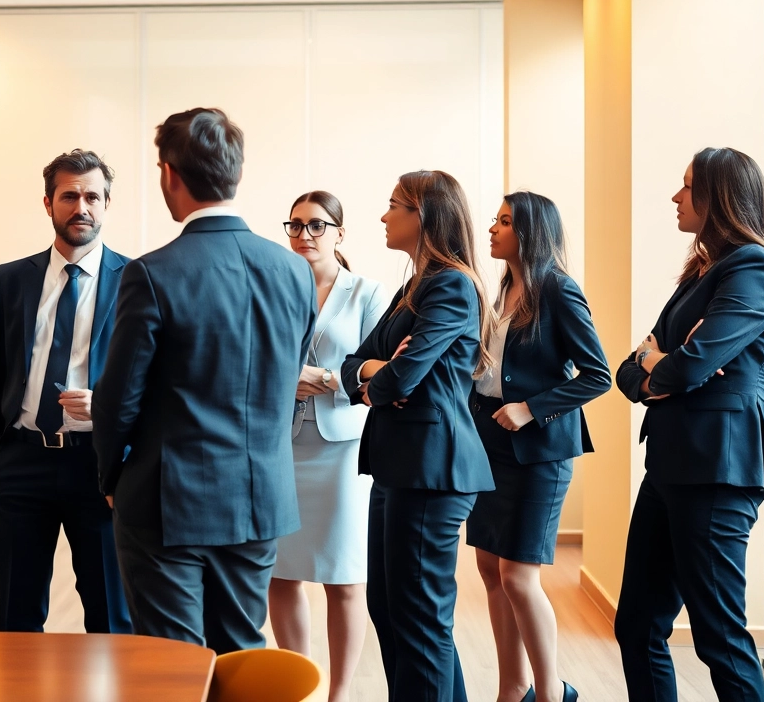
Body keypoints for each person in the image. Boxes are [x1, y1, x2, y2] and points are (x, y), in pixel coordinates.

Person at [91, 107, 315, 653]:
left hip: (167, 500)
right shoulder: (293, 272)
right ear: (235, 172)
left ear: (169, 173)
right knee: (241, 650)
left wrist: (110, 478)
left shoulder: (151, 272)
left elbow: (119, 399)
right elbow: (284, 382)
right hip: (260, 495)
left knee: (173, 661)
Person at [614, 148, 764, 702]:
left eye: (687, 186)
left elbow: (687, 365)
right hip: (670, 463)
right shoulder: (702, 272)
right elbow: (631, 366)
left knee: (719, 637)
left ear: (719, 196)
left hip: (718, 465)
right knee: (637, 626)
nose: (675, 196)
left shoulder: (754, 267)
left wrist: (660, 362)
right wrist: (654, 364)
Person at [340, 170, 494, 701]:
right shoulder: (413, 285)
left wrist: (384, 378)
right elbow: (354, 363)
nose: (383, 216)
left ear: (423, 215)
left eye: (393, 206)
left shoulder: (450, 283)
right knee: (389, 609)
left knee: (419, 619)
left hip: (433, 470)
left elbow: (404, 378)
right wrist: (375, 373)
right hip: (397, 465)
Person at [0, 149, 132, 634]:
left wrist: (106, 413)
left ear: (106, 204)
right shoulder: (12, 278)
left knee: (109, 615)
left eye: (93, 196)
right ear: (48, 203)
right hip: (20, 462)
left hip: (99, 467)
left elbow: (153, 382)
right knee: (17, 615)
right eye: (70, 195)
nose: (82, 206)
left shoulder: (138, 280)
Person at [468, 192, 608, 702]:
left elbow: (598, 375)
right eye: (495, 220)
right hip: (488, 442)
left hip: (539, 452)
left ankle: (552, 693)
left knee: (518, 575)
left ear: (530, 231)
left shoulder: (558, 290)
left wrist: (531, 408)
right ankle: (513, 686)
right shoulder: (503, 288)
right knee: (489, 568)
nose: (493, 229)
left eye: (504, 222)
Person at [269, 191, 387, 702]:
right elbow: (251, 359)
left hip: (343, 450)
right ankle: (299, 684)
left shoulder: (369, 293)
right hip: (280, 448)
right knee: (280, 572)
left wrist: (325, 378)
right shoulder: (272, 288)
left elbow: (381, 372)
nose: (304, 236)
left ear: (340, 233)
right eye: (295, 226)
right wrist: (283, 378)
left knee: (344, 576)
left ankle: (339, 693)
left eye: (317, 226)